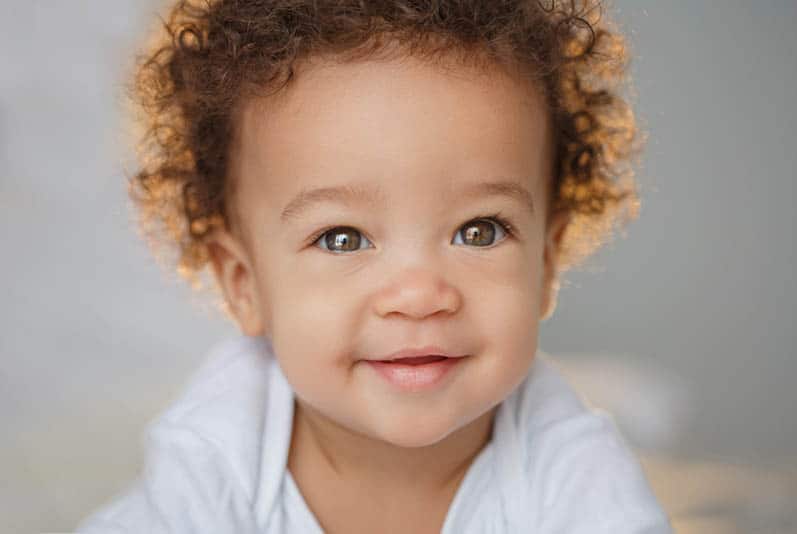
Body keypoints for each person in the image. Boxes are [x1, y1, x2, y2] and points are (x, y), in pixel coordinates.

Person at [78, 0, 672, 532]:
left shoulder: (574, 472)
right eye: (342, 238)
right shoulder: (213, 459)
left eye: (479, 231)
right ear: (244, 283)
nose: (419, 295)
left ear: (545, 262)